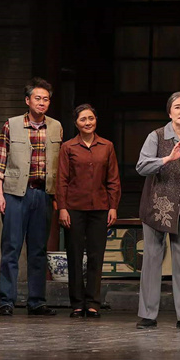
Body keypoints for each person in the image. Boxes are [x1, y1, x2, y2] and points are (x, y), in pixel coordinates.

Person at [134, 92, 180, 330]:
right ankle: (148, 314)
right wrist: (167, 159)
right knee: (152, 260)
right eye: (177, 107)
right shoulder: (156, 136)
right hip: (158, 207)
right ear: (169, 112)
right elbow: (141, 166)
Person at [0, 78, 61, 317]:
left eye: (46, 99)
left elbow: (60, 166)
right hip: (15, 194)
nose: (42, 102)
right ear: (27, 100)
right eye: (37, 98)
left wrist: (58, 197)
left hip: (43, 194)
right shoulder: (11, 125)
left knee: (38, 250)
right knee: (11, 247)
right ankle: (6, 300)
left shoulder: (56, 127)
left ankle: (37, 301)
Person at [57, 104, 121, 319]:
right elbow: (62, 180)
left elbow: (113, 179)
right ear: (76, 123)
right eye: (83, 119)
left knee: (96, 256)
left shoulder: (107, 146)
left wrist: (113, 206)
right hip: (74, 208)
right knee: (74, 255)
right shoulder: (68, 147)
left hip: (100, 208)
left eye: (91, 118)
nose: (88, 123)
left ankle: (93, 303)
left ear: (96, 120)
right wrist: (62, 208)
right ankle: (77, 303)